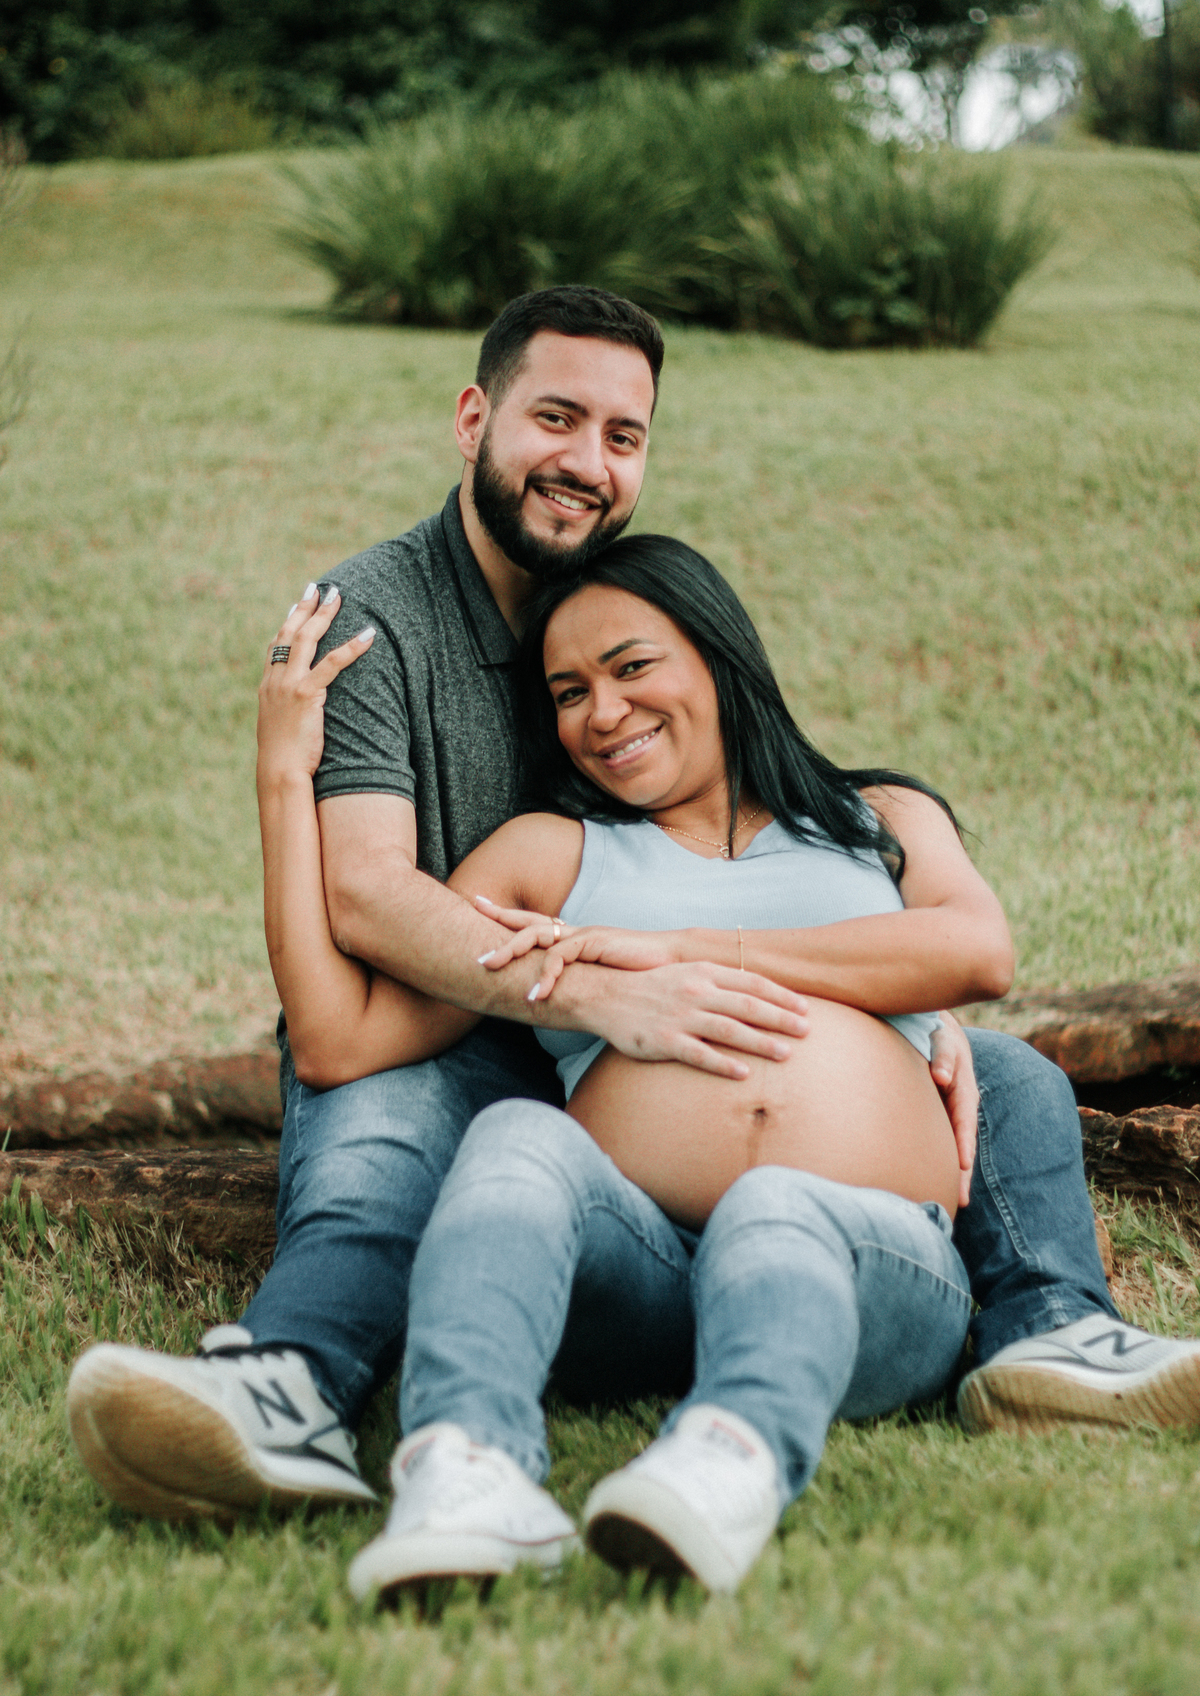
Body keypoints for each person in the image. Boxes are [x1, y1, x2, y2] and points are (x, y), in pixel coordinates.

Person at [66, 287, 1194, 1531]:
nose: (588, 462)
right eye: (556, 418)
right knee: (392, 1142)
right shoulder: (384, 632)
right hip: (484, 1013)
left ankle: (1049, 1334)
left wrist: (885, 1025)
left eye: (624, 435)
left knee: (1004, 1075)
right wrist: (296, 781)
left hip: (701, 1114)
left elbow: (959, 946)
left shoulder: (774, 738)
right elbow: (373, 907)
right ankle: (298, 1385)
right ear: (473, 417)